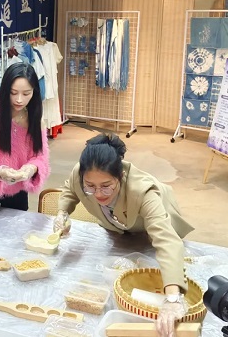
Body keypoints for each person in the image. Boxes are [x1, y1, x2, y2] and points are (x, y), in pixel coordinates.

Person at [53, 133, 194, 337]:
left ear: (120, 176)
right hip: (118, 226)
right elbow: (70, 189)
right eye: (90, 186)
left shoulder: (143, 191)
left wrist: (173, 298)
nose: (98, 194)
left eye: (106, 186)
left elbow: (167, 241)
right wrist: (62, 212)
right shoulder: (81, 175)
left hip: (152, 225)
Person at [0, 63, 50, 225]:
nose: (19, 99)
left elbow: (40, 157)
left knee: (15, 235)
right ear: (5, 90)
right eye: (13, 93)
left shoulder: (35, 121)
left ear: (34, 92)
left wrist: (30, 168)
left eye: (26, 93)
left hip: (17, 187)